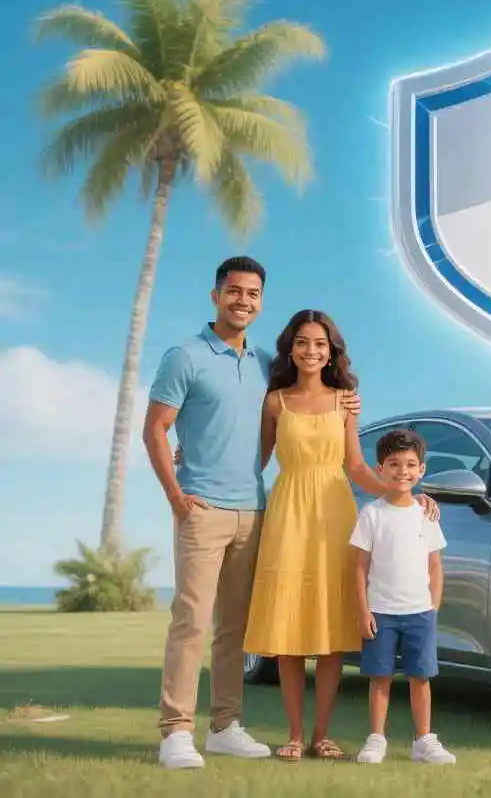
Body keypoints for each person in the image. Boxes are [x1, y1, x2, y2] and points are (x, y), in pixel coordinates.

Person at [142, 257, 361, 771]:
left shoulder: (267, 364)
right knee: (191, 620)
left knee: (234, 629)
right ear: (216, 295)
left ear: (261, 302)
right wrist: (176, 493)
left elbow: (281, 425)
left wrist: (347, 406)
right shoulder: (185, 355)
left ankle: (224, 725)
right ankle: (176, 731)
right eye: (235, 291)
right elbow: (156, 428)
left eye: (254, 293)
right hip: (201, 505)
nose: (244, 300)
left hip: (257, 510)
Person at [242, 310, 441, 761]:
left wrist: (407, 493)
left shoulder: (345, 401)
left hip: (335, 512)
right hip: (288, 512)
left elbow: (354, 465)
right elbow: (252, 458)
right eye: (303, 342)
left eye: (320, 344)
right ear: (289, 348)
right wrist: (193, 457)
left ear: (331, 351)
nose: (311, 351)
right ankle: (294, 734)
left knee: (332, 628)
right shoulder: (274, 402)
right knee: (291, 627)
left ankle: (323, 734)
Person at [350, 428, 456, 766]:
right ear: (380, 468)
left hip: (419, 613)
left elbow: (435, 566)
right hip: (380, 612)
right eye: (394, 464)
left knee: (420, 677)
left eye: (411, 464)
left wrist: (433, 606)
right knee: (380, 678)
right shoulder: (372, 514)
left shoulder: (426, 513)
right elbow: (359, 568)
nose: (403, 471)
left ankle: (424, 740)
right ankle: (376, 738)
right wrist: (363, 610)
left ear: (421, 470)